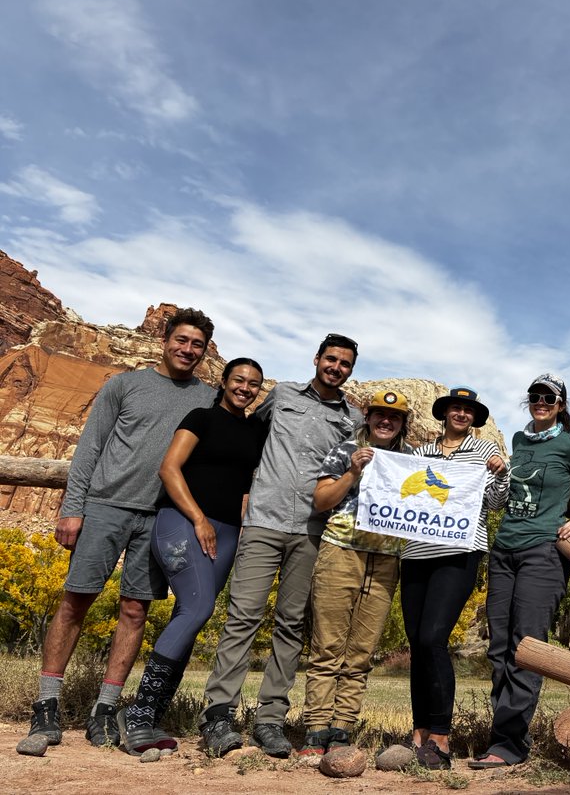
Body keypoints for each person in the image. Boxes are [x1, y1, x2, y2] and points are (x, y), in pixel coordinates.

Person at [27, 308, 216, 751]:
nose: (187, 350)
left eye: (197, 345)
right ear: (165, 340)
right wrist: (73, 509)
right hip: (106, 506)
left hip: (160, 517)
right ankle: (46, 706)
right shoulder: (125, 384)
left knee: (135, 610)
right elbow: (90, 447)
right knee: (76, 600)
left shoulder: (207, 398)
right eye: (182, 340)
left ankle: (105, 710)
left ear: (204, 352)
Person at [201, 333, 359, 758]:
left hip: (312, 530)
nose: (336, 368)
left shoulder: (353, 418)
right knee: (243, 616)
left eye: (345, 364)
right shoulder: (282, 394)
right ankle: (218, 714)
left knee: (290, 624)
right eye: (331, 359)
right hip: (263, 522)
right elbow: (248, 441)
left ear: (350, 370)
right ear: (317, 359)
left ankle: (270, 720)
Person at [118, 357, 268, 754]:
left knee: (192, 616)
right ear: (224, 380)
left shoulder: (253, 431)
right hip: (182, 522)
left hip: (227, 532)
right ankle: (138, 713)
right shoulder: (201, 416)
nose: (246, 388)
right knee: (198, 608)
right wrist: (199, 518)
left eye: (254, 384)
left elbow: (244, 484)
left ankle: (153, 715)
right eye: (239, 380)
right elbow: (169, 469)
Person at [467, 374, 570, 769]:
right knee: (498, 648)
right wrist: (500, 468)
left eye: (549, 398)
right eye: (535, 396)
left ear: (561, 405)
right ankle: (506, 738)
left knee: (526, 646)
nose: (541, 402)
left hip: (543, 554)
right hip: (504, 550)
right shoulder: (518, 440)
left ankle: (509, 746)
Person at [299, 390, 411, 757]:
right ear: (368, 416)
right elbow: (321, 501)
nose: (386, 421)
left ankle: (342, 727)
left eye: (394, 417)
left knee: (362, 649)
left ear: (402, 423)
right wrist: (353, 471)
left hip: (385, 559)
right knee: (328, 643)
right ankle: (316, 726)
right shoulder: (345, 449)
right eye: (380, 414)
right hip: (341, 550)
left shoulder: (409, 461)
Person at [404, 386, 510, 770]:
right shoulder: (420, 454)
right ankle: (418, 733)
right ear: (444, 413)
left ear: (474, 418)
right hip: (415, 553)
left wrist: (499, 474)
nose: (461, 414)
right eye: (456, 408)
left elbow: (496, 503)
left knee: (434, 637)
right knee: (416, 641)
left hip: (461, 551)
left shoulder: (485, 453)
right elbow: (405, 499)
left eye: (468, 410)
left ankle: (442, 737)